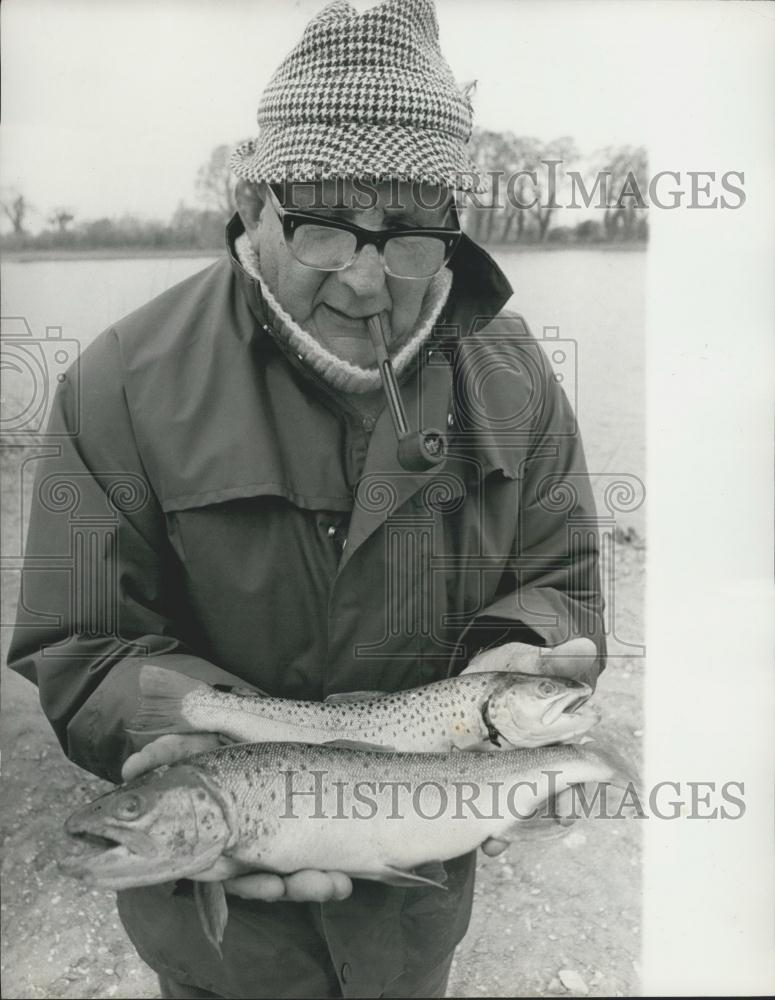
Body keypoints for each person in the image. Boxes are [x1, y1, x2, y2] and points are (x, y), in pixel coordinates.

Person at [8, 0, 606, 996]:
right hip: (214, 922)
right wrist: (201, 733)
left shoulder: (516, 376)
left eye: (413, 238)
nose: (370, 281)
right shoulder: (114, 382)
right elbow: (78, 641)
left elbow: (564, 576)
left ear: (454, 234)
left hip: (418, 906)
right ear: (252, 205)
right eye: (324, 229)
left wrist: (522, 654)